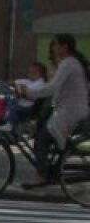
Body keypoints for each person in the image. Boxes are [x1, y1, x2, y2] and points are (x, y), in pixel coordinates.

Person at [18, 34, 90, 188]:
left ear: (65, 47)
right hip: (70, 109)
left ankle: (42, 175)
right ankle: (53, 169)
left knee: (41, 141)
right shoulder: (70, 63)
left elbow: (52, 88)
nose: (53, 48)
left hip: (70, 111)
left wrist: (29, 92)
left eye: (56, 45)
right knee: (47, 136)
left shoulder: (69, 64)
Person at [0, 62, 48, 133]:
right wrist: (14, 84)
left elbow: (28, 92)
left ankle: (10, 124)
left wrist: (20, 90)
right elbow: (20, 82)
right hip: (25, 105)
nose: (29, 75)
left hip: (30, 108)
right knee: (9, 101)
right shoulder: (31, 82)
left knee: (14, 108)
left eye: (31, 72)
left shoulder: (40, 84)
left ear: (39, 73)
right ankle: (8, 122)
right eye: (29, 72)